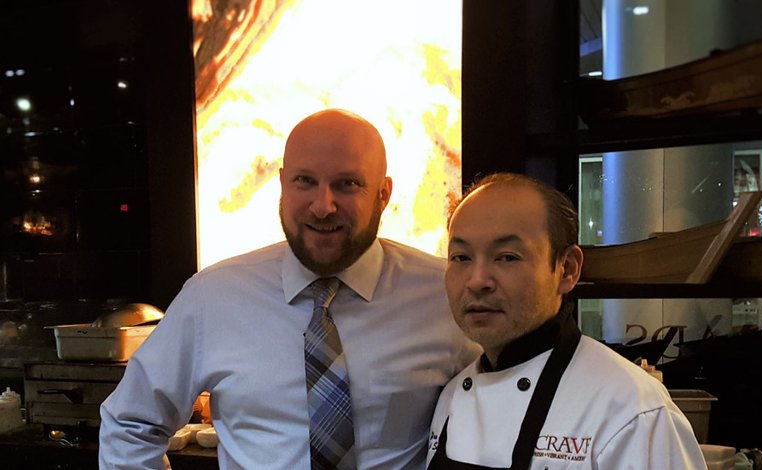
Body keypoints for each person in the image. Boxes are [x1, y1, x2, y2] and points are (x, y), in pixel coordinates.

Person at [99, 109, 479, 469]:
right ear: (282, 184)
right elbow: (130, 423)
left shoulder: (444, 293)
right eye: (305, 181)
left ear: (383, 194)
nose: (322, 206)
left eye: (347, 184)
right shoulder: (213, 297)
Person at [427, 172, 707, 469]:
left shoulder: (632, 410)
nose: (477, 280)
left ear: (567, 269)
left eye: (507, 257)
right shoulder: (450, 398)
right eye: (460, 257)